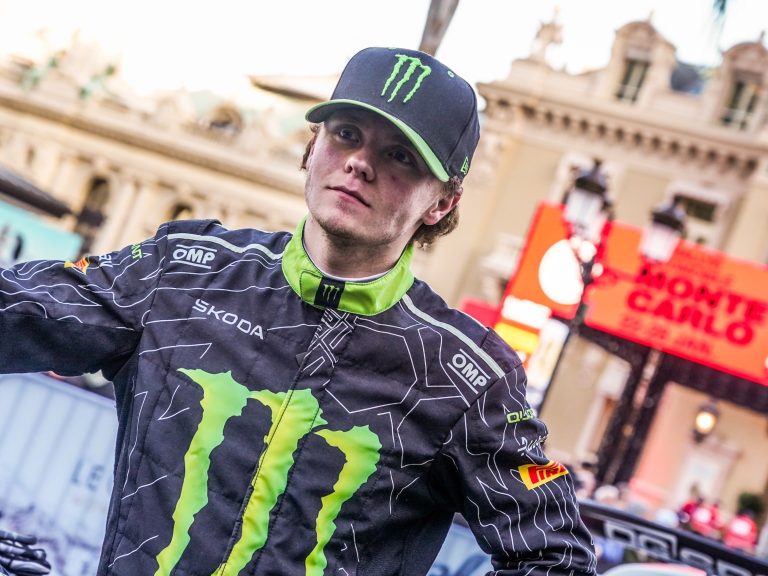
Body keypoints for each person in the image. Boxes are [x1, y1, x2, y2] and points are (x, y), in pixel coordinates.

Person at [0, 46, 596, 575]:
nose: (360, 162)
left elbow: (558, 560)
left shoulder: (467, 376)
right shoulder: (182, 271)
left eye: (400, 156)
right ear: (312, 147)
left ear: (442, 202)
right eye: (346, 134)